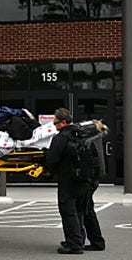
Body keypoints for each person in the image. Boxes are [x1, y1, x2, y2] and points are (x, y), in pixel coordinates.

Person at [45, 108, 88, 254]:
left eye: (55, 124)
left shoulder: (60, 138)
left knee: (68, 212)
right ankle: (78, 240)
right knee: (78, 211)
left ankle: (74, 245)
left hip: (67, 179)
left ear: (63, 123)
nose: (55, 127)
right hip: (83, 179)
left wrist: (48, 172)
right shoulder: (81, 134)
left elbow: (52, 160)